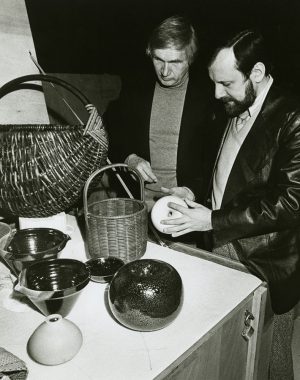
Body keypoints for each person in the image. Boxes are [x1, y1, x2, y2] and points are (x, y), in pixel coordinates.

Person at [161, 29, 300, 379]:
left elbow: (291, 201)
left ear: (256, 73)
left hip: (266, 259)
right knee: (231, 349)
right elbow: (230, 174)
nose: (216, 93)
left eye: (226, 83)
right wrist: (196, 195)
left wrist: (213, 221)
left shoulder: (292, 118)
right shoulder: (236, 103)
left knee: (272, 355)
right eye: (214, 82)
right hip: (222, 244)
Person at [104, 15, 222, 220]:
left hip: (184, 208)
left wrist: (193, 192)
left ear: (191, 58)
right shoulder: (136, 87)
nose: (165, 71)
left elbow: (217, 158)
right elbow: (113, 130)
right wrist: (129, 158)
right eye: (158, 59)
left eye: (175, 62)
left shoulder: (211, 96)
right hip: (136, 203)